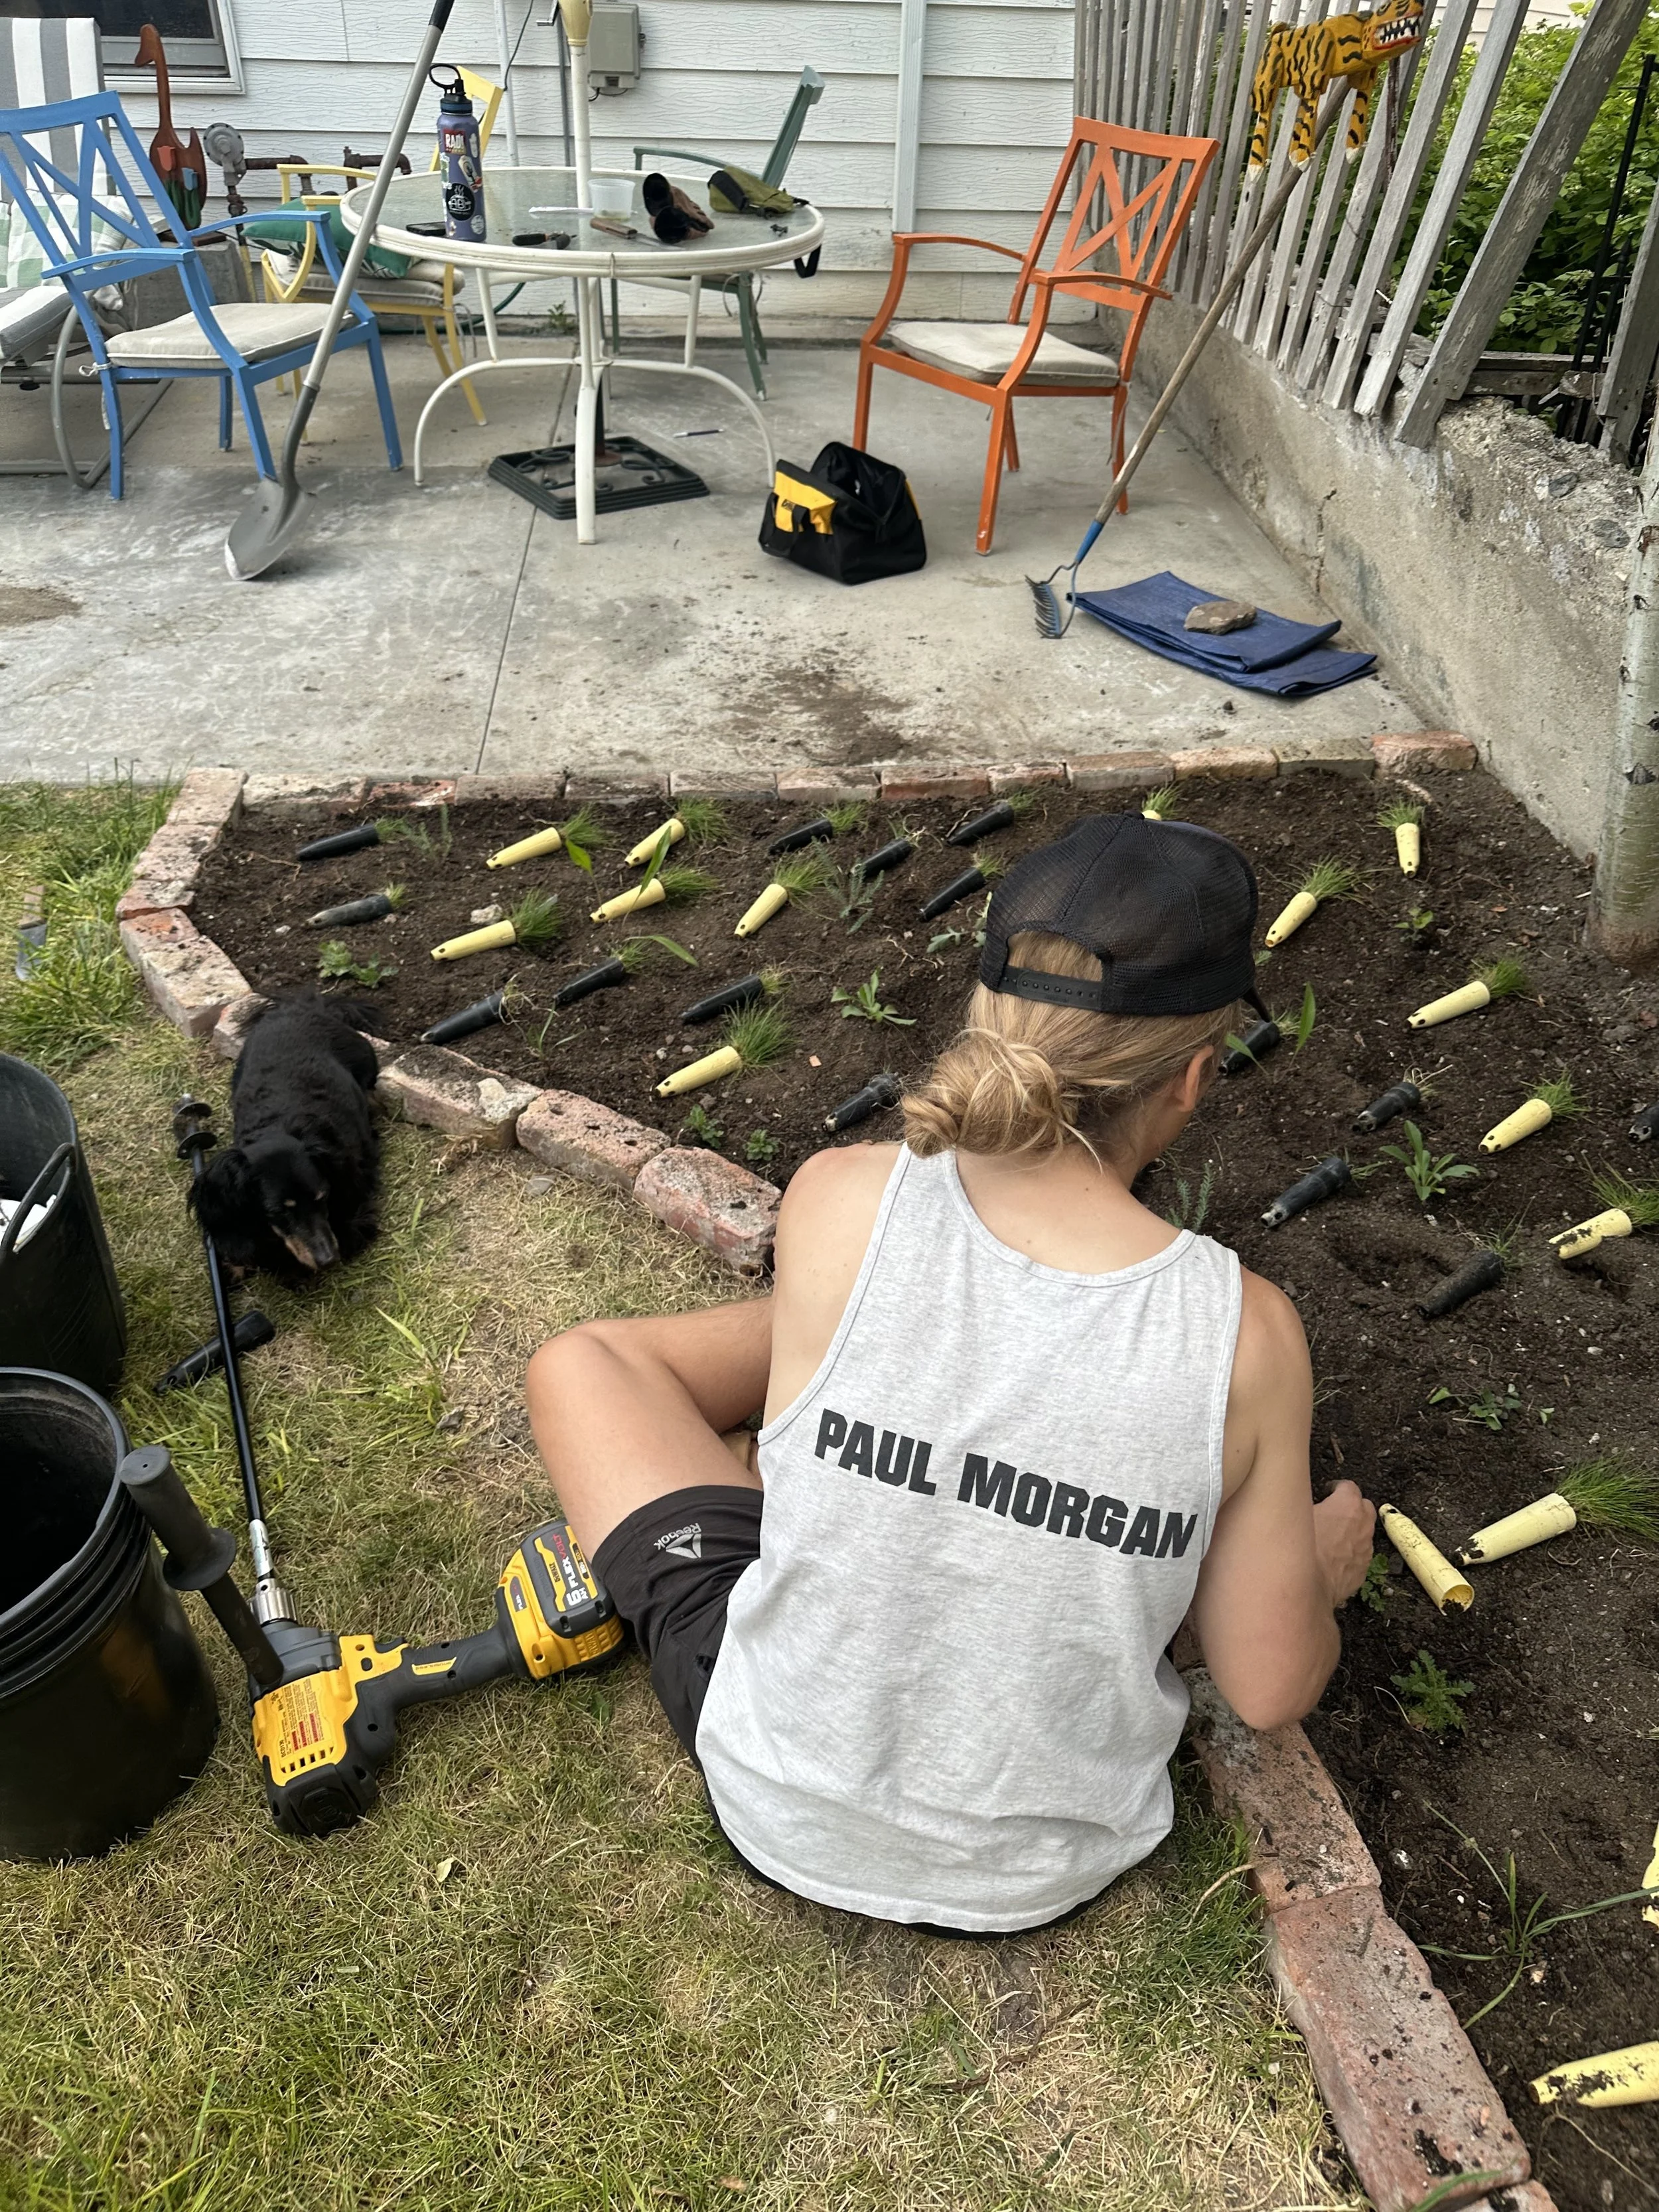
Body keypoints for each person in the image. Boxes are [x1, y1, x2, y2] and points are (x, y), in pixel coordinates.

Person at [528, 812, 1376, 1935]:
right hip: (1038, 1867)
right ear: (1193, 1079)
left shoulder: (840, 1193)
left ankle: (819, 1399)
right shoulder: (1247, 1335)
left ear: (987, 1013)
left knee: (584, 1365)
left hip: (776, 1792)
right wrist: (1318, 1572)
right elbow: (1269, 1687)